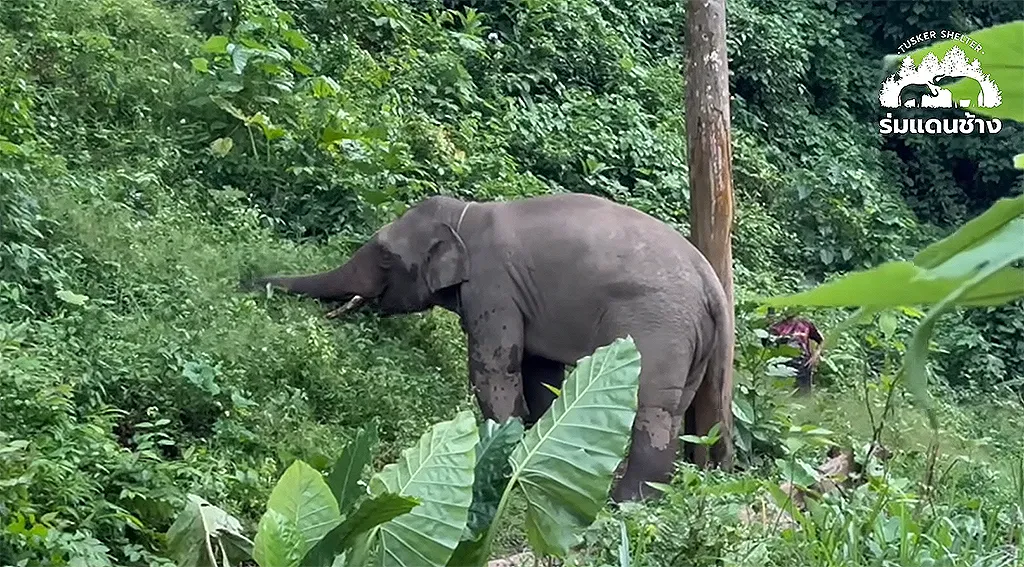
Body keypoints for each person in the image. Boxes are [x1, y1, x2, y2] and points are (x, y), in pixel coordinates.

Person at [764, 308, 824, 394]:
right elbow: (767, 345)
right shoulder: (777, 326)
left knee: (804, 395)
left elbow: (821, 340)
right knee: (783, 392)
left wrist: (815, 355)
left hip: (803, 362)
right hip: (782, 363)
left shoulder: (805, 324)